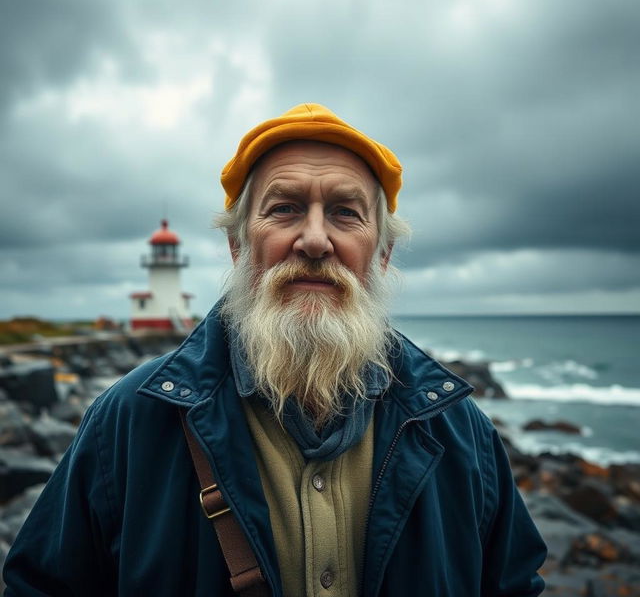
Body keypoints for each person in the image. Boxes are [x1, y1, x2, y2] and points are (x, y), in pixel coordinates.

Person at [3, 103, 546, 596]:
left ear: (381, 254)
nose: (314, 240)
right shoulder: (130, 420)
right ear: (239, 246)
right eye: (284, 209)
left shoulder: (462, 432)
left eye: (345, 212)